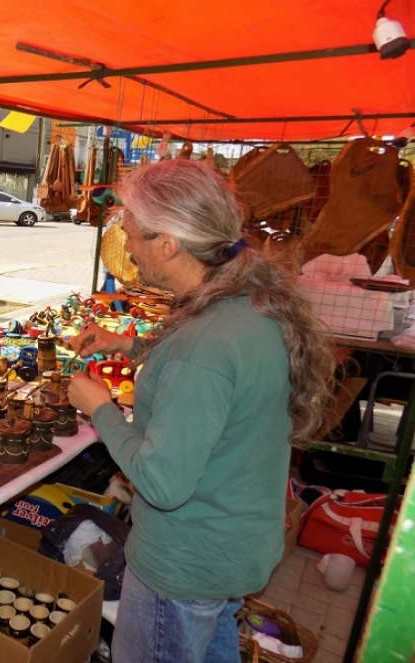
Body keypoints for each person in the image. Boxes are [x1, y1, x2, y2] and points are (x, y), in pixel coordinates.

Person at [65, 159, 334, 663]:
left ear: (167, 244)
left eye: (131, 237)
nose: (127, 251)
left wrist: (100, 408)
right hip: (234, 544)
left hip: (184, 564)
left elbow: (162, 484)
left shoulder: (203, 345)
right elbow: (214, 373)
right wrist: (127, 344)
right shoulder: (247, 303)